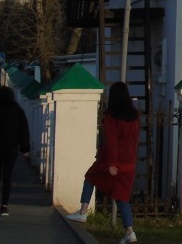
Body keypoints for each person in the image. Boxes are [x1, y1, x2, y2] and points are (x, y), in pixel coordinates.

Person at [66, 82, 140, 244]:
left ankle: (83, 211)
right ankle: (129, 232)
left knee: (90, 177)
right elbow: (135, 141)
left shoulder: (111, 117)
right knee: (122, 197)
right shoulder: (135, 116)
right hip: (129, 163)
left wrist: (111, 163)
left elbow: (111, 141)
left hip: (111, 160)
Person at [0, 85, 31, 217]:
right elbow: (24, 131)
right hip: (12, 149)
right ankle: (4, 206)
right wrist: (24, 148)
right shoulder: (19, 112)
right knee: (7, 177)